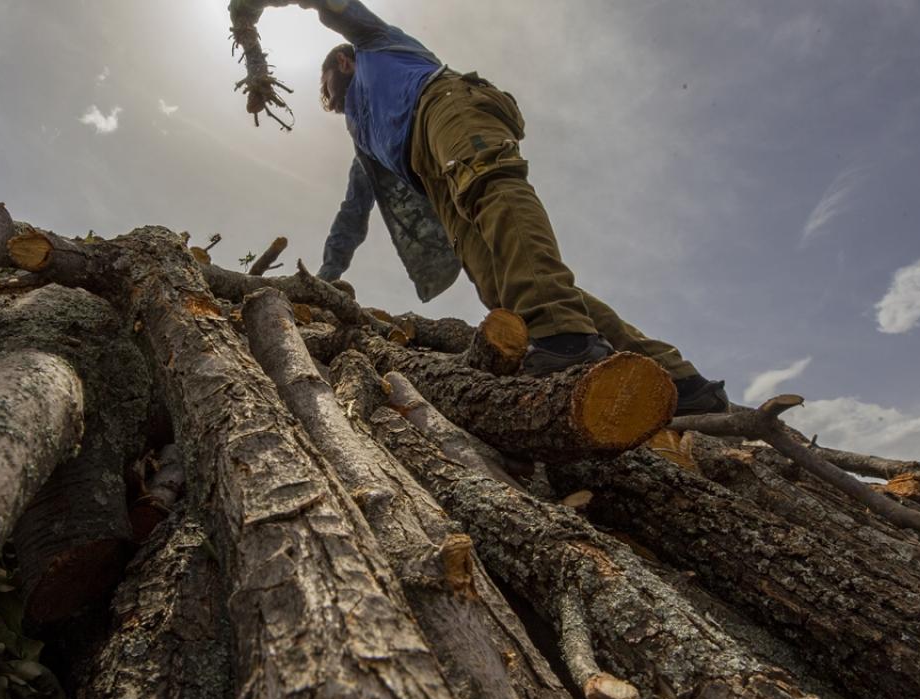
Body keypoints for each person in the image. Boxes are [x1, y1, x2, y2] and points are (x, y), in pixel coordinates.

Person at [248, 0, 729, 414]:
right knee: (502, 284)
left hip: (443, 105)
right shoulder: (365, 139)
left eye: (325, 86)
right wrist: (326, 283)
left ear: (343, 64)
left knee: (490, 190)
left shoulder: (374, 42)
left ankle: (564, 337)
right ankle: (676, 380)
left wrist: (251, 12)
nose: (325, 98)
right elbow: (351, 215)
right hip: (427, 171)